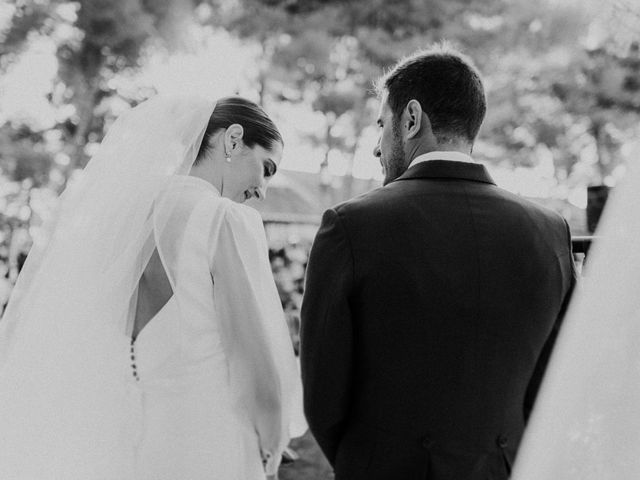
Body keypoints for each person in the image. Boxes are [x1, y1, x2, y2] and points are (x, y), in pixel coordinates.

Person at [300, 44, 576, 480]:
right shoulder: (550, 231)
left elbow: (323, 396)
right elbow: (553, 382)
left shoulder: (350, 225)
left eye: (381, 124)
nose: (376, 146)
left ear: (411, 119)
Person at [0, 95, 299, 479]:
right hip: (208, 442)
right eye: (267, 167)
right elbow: (253, 359)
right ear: (233, 139)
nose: (263, 190)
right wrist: (271, 447)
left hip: (138, 446)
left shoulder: (123, 222)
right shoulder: (223, 220)